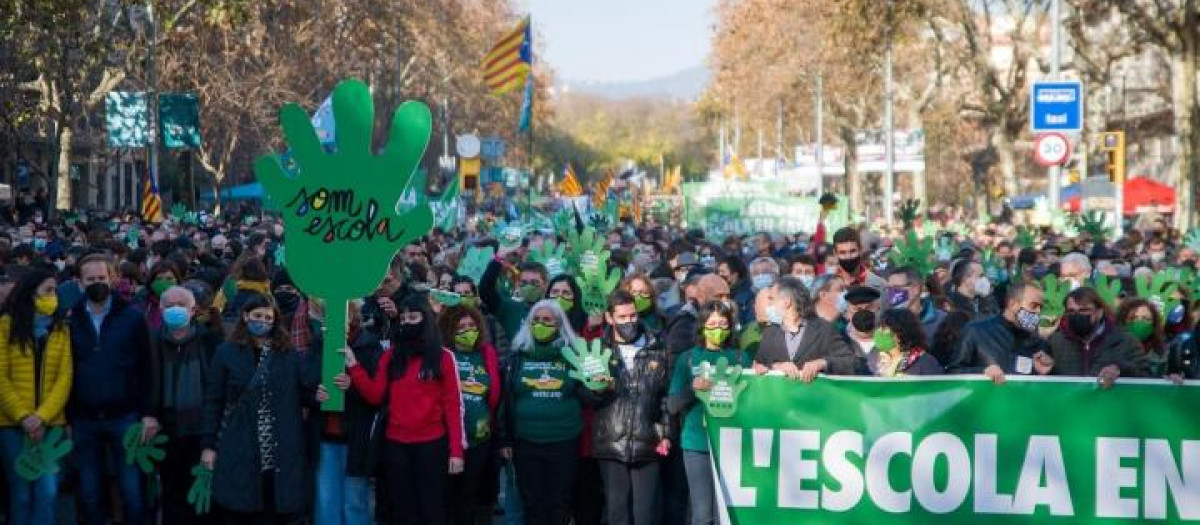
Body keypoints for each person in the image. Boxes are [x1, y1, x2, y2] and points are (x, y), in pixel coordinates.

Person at [201, 293, 319, 524]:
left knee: (274, 508)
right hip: (240, 443)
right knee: (242, 509)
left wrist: (321, 394)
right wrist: (208, 446)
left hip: (280, 449)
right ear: (245, 316)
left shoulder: (287, 354)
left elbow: (306, 388)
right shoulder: (225, 352)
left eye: (268, 317)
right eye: (257, 316)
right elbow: (213, 401)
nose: (263, 321)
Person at [346, 295, 465, 525]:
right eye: (403, 318)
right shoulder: (390, 356)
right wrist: (354, 367)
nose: (407, 322)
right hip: (396, 447)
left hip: (432, 446)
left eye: (413, 317)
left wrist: (456, 451)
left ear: (426, 319)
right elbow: (375, 395)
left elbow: (453, 406)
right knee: (402, 512)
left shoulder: (443, 357)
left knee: (432, 511)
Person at [68, 253, 152, 525]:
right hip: (83, 418)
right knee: (90, 492)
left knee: (132, 490)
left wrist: (148, 413)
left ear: (114, 279)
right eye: (90, 279)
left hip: (125, 415)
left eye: (101, 278)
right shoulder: (69, 319)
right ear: (79, 283)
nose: (96, 283)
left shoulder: (132, 318)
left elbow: (146, 367)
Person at [498, 299, 584, 525]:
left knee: (559, 503)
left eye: (547, 320)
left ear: (559, 324)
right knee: (532, 502)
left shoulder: (573, 355)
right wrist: (505, 437)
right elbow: (506, 398)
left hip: (563, 440)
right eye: (535, 320)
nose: (540, 324)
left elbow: (587, 395)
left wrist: (600, 385)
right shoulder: (517, 357)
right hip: (526, 441)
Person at [667, 301, 750, 525]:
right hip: (697, 444)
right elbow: (672, 405)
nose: (718, 329)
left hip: (731, 445)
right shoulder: (688, 358)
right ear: (702, 326)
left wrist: (760, 374)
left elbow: (753, 400)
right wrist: (692, 389)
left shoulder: (741, 359)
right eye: (712, 324)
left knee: (728, 514)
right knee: (703, 515)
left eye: (723, 324)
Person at [0, 268, 71, 525]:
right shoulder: (6, 326)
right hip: (11, 425)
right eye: (47, 291)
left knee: (48, 492)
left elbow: (65, 376)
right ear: (30, 294)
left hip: (51, 424)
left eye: (55, 291)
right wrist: (23, 416)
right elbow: (1, 378)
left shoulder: (60, 328)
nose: (53, 297)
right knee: (21, 494)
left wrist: (41, 416)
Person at [148, 285, 222, 525]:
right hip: (166, 431)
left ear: (193, 310)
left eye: (181, 305)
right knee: (171, 494)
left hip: (201, 431)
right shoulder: (152, 341)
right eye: (169, 305)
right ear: (161, 308)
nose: (175, 310)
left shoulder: (210, 341)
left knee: (201, 494)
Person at [439, 304, 502, 525]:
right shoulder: (444, 355)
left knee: (470, 497)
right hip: (448, 440)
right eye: (461, 326)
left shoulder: (486, 354)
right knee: (447, 498)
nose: (468, 330)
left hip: (480, 439)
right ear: (450, 330)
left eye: (471, 325)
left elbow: (494, 394)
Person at [755, 276, 859, 380]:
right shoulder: (770, 333)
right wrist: (775, 366)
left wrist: (822, 363)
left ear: (786, 302)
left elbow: (851, 362)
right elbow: (759, 364)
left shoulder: (824, 330)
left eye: (772, 299)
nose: (770, 305)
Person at [947, 282, 1051, 384]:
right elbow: (952, 373)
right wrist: (981, 372)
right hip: (984, 400)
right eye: (1033, 306)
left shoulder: (1039, 344)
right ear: (1012, 304)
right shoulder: (976, 332)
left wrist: (1043, 373)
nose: (1038, 312)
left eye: (1041, 308)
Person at [1043, 287, 1146, 386]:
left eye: (1084, 310)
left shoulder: (1126, 341)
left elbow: (1148, 378)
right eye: (1071, 311)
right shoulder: (1056, 342)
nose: (1077, 315)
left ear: (1099, 312)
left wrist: (1121, 369)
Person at [867, 309, 944, 376]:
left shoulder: (925, 362)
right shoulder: (874, 355)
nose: (879, 333)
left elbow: (937, 389)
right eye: (879, 329)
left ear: (901, 333)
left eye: (885, 329)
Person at [885, 266, 946, 344]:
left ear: (915, 288)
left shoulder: (941, 321)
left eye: (897, 288)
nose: (891, 293)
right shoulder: (885, 322)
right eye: (888, 288)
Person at [1116, 297, 1167, 377]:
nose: (1139, 322)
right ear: (1123, 321)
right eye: (1133, 318)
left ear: (1154, 324)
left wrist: (1172, 377)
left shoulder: (1163, 352)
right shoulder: (1111, 350)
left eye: (1146, 319)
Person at [841, 286, 882, 357]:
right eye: (857, 309)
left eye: (869, 308)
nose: (863, 313)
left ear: (879, 309)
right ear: (847, 313)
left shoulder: (893, 338)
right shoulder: (838, 340)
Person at [717, 256, 754, 326]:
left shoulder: (749, 296)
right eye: (718, 272)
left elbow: (750, 323)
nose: (720, 275)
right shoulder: (720, 293)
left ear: (734, 274)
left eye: (723, 272)